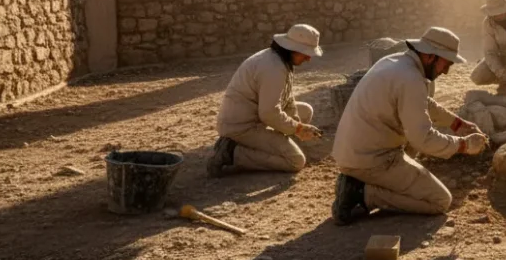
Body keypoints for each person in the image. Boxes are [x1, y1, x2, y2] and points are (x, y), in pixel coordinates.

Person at [331, 26, 488, 224]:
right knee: (439, 200)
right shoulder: (410, 79)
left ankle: (363, 182)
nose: (446, 71)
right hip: (371, 159)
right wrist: (464, 145)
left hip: (354, 151)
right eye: (446, 64)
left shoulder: (395, 62)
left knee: (414, 133)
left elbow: (422, 103)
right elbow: (423, 139)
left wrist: (457, 124)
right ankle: (362, 194)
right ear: (431, 57)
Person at [208, 24, 325, 177]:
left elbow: (287, 100)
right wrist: (297, 128)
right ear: (292, 49)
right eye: (305, 54)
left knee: (305, 111)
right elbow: (269, 113)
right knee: (296, 161)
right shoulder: (273, 68)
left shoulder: (280, 60)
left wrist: (298, 126)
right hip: (241, 127)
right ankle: (232, 153)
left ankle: (277, 143)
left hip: (255, 116)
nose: (308, 58)